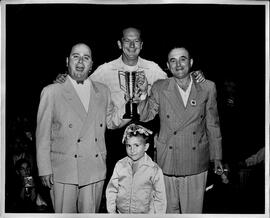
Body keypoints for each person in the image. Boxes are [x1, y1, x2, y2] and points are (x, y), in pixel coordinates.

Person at [35, 43, 127, 213]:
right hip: (63, 170)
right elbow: (42, 135)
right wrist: (44, 168)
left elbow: (111, 122)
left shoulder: (103, 91)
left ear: (92, 64)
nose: (80, 62)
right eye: (75, 56)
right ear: (67, 60)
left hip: (94, 168)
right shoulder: (52, 91)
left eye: (86, 58)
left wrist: (131, 106)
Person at [138, 46, 223, 213]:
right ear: (167, 66)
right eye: (173, 60)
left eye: (183, 59)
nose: (178, 64)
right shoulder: (159, 87)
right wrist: (142, 94)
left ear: (190, 62)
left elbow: (213, 124)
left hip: (196, 160)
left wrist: (217, 157)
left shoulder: (207, 87)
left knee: (192, 212)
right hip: (167, 160)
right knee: (168, 211)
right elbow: (146, 116)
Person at [106, 123, 166, 214]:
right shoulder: (120, 165)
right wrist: (111, 212)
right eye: (128, 146)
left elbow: (160, 198)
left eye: (136, 145)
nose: (132, 150)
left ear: (146, 147)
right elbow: (112, 190)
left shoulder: (154, 169)